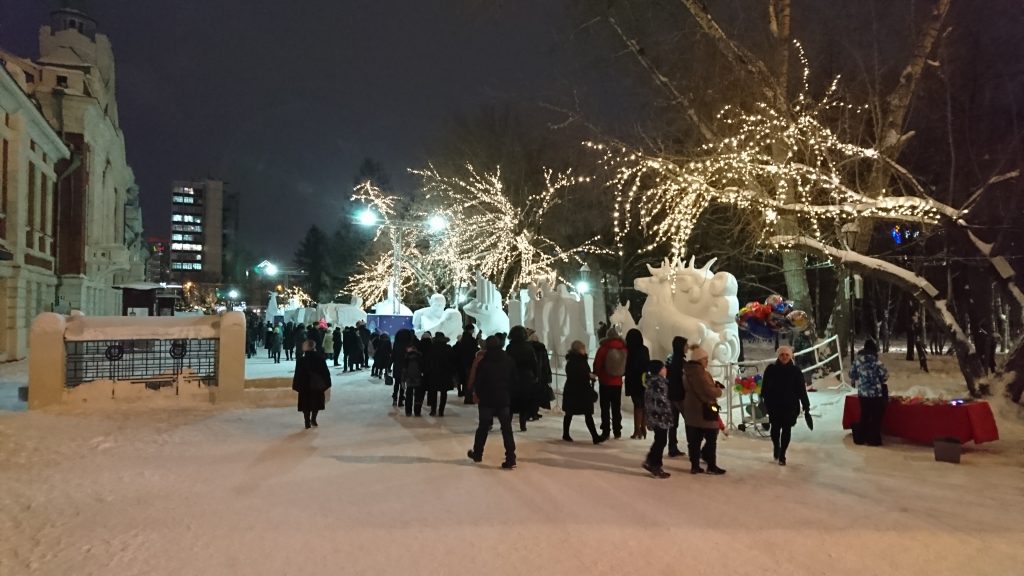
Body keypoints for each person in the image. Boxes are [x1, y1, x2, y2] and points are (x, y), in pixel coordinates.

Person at [467, 336, 517, 469]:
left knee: (483, 427)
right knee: (506, 429)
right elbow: (513, 379)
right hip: (503, 398)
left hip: (486, 399)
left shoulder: (484, 361)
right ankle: (511, 457)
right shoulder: (508, 360)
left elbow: (479, 380)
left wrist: (476, 393)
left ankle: (478, 453)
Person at [760, 346, 811, 465]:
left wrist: (806, 405)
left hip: (790, 406)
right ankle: (776, 446)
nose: (784, 357)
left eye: (787, 355)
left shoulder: (795, 371)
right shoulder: (771, 369)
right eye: (782, 354)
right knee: (775, 429)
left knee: (787, 429)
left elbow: (801, 390)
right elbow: (765, 387)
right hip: (774, 405)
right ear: (778, 356)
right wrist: (764, 399)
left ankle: (782, 454)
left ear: (791, 356)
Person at [683, 346, 725, 475]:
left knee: (694, 441)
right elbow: (708, 391)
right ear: (699, 360)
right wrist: (718, 390)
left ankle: (695, 466)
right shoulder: (700, 373)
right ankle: (711, 466)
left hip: (691, 410)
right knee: (711, 438)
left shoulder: (687, 372)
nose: (707, 361)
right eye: (705, 359)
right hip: (705, 410)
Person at [561, 340, 603, 444]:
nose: (585, 350)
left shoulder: (573, 360)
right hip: (580, 391)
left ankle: (566, 434)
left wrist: (589, 376)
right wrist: (589, 376)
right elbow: (580, 375)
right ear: (579, 350)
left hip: (574, 390)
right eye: (583, 348)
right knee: (586, 414)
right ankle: (595, 437)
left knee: (570, 413)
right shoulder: (578, 361)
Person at [850, 339, 889, 447]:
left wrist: (860, 378)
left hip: (863, 393)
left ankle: (860, 438)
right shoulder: (877, 362)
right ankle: (873, 439)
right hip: (876, 394)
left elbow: (851, 375)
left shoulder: (858, 361)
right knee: (876, 417)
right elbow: (885, 375)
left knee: (864, 415)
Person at [593, 326, 627, 440]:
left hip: (605, 381)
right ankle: (617, 430)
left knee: (605, 407)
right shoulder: (624, 348)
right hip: (617, 382)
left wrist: (596, 374)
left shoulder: (603, 348)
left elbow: (597, 363)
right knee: (616, 407)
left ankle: (606, 430)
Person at [506, 326, 540, 432]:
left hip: (513, 377)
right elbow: (534, 363)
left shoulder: (510, 347)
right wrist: (536, 375)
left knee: (511, 402)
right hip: (526, 377)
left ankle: (507, 424)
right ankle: (522, 423)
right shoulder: (528, 347)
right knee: (524, 402)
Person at [642, 360, 672, 478]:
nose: (665, 369)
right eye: (663, 367)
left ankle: (650, 460)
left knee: (660, 440)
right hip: (660, 417)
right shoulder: (658, 383)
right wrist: (667, 414)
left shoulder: (653, 382)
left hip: (656, 416)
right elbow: (661, 402)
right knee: (661, 441)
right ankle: (655, 465)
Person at [292, 339, 331, 429]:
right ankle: (313, 419)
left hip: (304, 385)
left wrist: (296, 385)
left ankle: (307, 421)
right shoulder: (320, 359)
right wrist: (326, 383)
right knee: (316, 402)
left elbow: (297, 374)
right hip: (317, 385)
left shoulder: (301, 360)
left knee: (305, 404)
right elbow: (325, 372)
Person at [624, 328, 650, 440]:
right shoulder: (644, 349)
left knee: (637, 406)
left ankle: (637, 430)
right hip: (643, 380)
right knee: (643, 405)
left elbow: (627, 366)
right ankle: (643, 427)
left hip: (632, 380)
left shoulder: (628, 350)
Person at [666, 336, 688, 457]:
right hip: (680, 396)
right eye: (685, 345)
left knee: (673, 423)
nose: (687, 347)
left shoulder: (670, 359)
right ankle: (694, 447)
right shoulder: (681, 362)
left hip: (671, 394)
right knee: (690, 422)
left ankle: (672, 446)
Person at [425, 332, 456, 416]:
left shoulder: (431, 348)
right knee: (444, 392)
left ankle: (433, 410)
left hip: (434, 372)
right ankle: (441, 410)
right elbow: (453, 360)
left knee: (433, 392)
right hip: (445, 373)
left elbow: (427, 360)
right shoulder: (448, 348)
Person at [528, 331, 553, 420]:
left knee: (530, 394)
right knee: (537, 395)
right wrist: (548, 376)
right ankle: (535, 412)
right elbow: (546, 364)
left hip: (531, 374)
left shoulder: (528, 348)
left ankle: (530, 413)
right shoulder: (541, 348)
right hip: (541, 374)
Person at [454, 325, 479, 403]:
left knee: (465, 379)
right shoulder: (470, 340)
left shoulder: (463, 340)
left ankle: (466, 396)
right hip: (469, 362)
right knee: (469, 380)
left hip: (461, 362)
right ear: (470, 330)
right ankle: (468, 398)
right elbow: (473, 350)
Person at [403, 340, 426, 416]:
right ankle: (417, 411)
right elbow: (422, 367)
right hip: (418, 378)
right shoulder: (419, 356)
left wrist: (403, 379)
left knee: (409, 395)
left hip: (409, 378)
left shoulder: (406, 357)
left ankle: (408, 411)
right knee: (418, 395)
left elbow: (404, 369)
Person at [391, 329, 412, 407]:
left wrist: (389, 365)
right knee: (403, 383)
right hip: (405, 367)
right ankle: (400, 400)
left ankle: (395, 399)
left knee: (396, 383)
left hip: (397, 366)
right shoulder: (409, 345)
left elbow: (393, 356)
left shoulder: (396, 344)